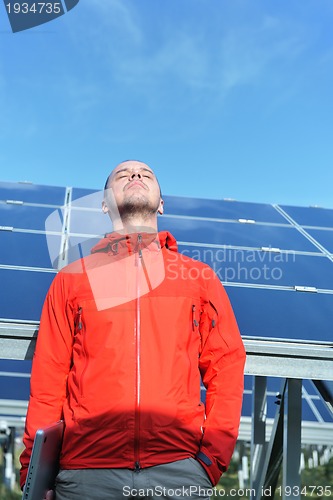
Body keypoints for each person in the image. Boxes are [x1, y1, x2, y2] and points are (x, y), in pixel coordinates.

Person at [20, 160, 246, 500]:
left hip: (180, 469)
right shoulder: (71, 279)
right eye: (123, 175)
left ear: (161, 202)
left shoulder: (198, 278)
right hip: (86, 474)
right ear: (104, 203)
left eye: (146, 174)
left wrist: (210, 459)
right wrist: (33, 473)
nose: (136, 176)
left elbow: (226, 366)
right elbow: (48, 379)